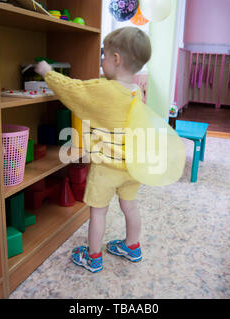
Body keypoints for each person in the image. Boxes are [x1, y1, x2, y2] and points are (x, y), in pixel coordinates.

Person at [35, 27, 152, 273]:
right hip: (131, 165)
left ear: (116, 59)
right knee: (129, 206)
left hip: (106, 167)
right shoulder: (136, 90)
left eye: (104, 56)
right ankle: (132, 247)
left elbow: (72, 90)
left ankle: (94, 257)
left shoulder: (104, 88)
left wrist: (48, 72)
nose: (102, 60)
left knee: (98, 212)